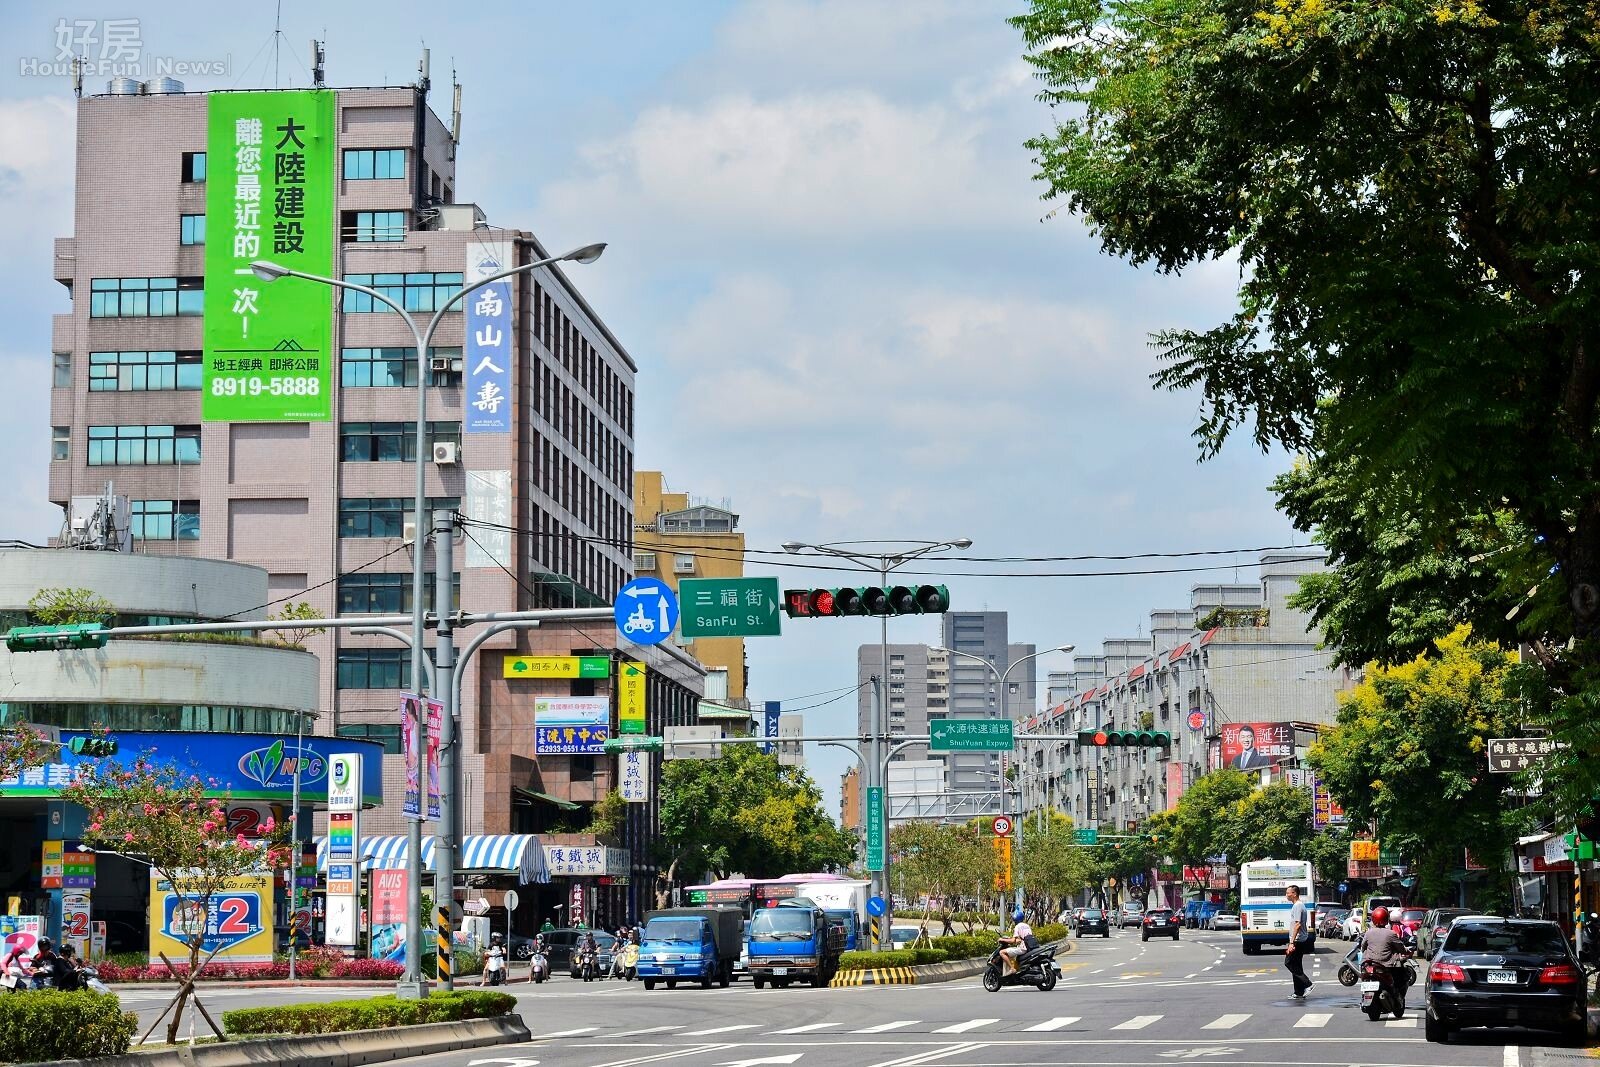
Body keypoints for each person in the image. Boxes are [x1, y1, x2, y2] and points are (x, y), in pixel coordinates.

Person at [1356, 906, 1409, 986]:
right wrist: (1405, 951)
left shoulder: (1368, 933)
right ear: (1386, 919)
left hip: (1369, 965)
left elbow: (1363, 948)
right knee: (1400, 979)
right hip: (1387, 966)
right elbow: (1401, 948)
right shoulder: (1391, 933)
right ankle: (1397, 996)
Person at [1283, 884, 1312, 1000]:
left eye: (1288, 893)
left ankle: (1308, 984)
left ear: (1294, 894)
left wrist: (1291, 942)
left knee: (1289, 962)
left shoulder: (1298, 906)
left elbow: (1297, 925)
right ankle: (1298, 992)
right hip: (1299, 939)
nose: (1286, 895)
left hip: (1298, 940)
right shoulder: (1298, 905)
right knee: (1297, 965)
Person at [999, 908, 1035, 975]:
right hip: (1029, 947)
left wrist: (1002, 939)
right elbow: (1021, 938)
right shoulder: (1027, 925)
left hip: (1023, 948)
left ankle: (1012, 969)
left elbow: (1013, 941)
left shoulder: (1017, 926)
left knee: (1002, 952)